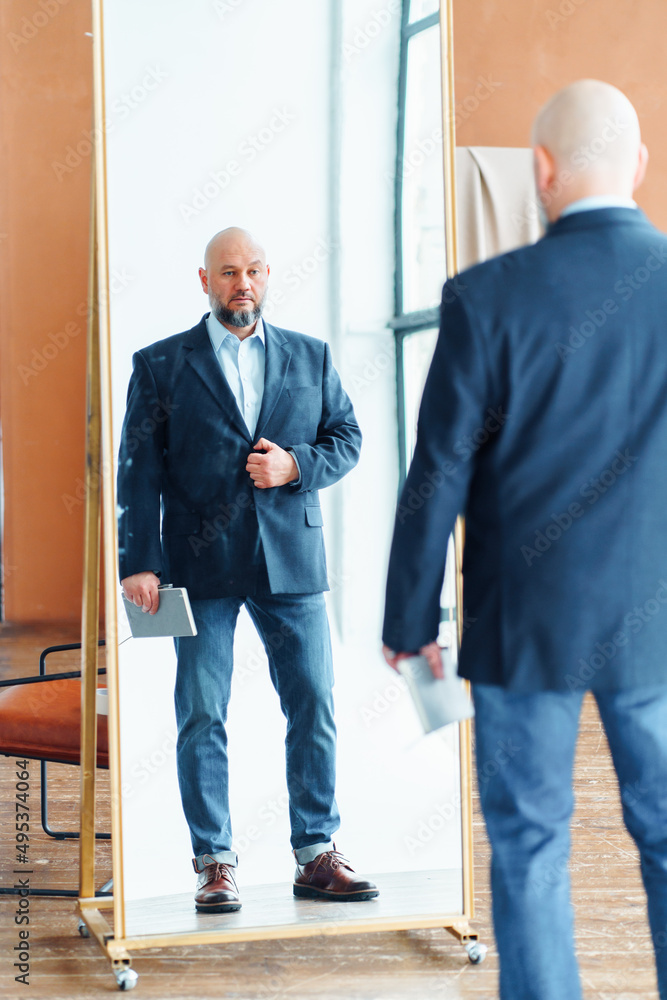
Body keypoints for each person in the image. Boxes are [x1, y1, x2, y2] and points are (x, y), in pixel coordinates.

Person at [382, 80, 667, 1000]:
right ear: (640, 165)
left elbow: (438, 473)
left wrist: (408, 616)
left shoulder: (483, 298)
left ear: (540, 172)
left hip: (521, 624)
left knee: (531, 847)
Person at [118, 227, 378, 912]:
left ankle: (315, 853)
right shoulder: (159, 366)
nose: (243, 283)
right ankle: (214, 862)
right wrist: (139, 561)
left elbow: (346, 438)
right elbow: (137, 472)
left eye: (254, 270)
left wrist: (297, 465)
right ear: (204, 280)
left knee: (314, 703)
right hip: (197, 565)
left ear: (268, 275)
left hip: (290, 559)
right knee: (202, 712)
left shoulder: (311, 357)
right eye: (229, 271)